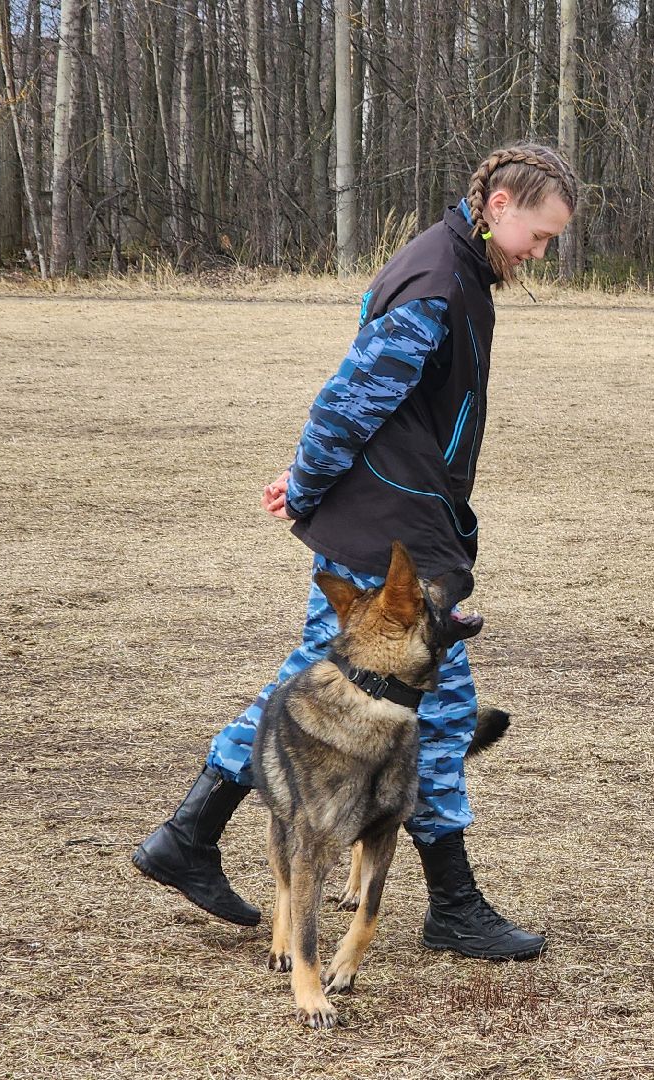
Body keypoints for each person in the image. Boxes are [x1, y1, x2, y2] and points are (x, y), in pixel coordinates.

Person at [132, 143, 579, 958]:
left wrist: (313, 484)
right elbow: (350, 398)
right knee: (439, 711)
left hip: (394, 514)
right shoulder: (439, 276)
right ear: (502, 201)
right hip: (388, 527)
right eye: (540, 235)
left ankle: (188, 834)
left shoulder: (455, 268)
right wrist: (305, 484)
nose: (541, 253)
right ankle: (453, 903)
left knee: (310, 677)